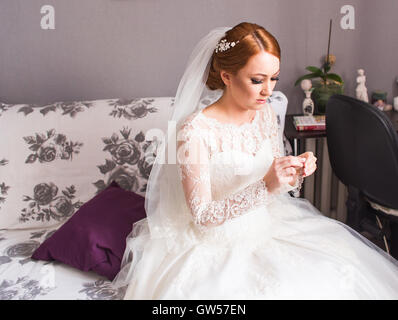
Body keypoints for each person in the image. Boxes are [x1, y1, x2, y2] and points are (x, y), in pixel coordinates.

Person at [112, 22, 398, 299]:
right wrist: (266, 186)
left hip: (270, 226)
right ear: (226, 76)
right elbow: (203, 217)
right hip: (214, 244)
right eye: (257, 80)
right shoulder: (193, 130)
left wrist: (294, 170)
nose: (268, 90)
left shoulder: (263, 114)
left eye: (273, 78)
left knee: (339, 273)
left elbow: (273, 177)